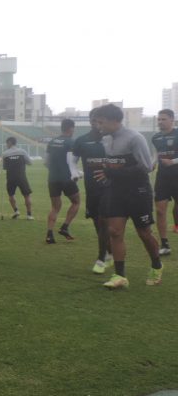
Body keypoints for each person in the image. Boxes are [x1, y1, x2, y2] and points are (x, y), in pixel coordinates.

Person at [92, 104, 163, 289]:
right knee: (114, 232)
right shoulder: (106, 139)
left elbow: (146, 167)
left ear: (114, 121)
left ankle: (157, 265)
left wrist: (112, 172)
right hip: (116, 191)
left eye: (101, 122)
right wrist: (108, 172)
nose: (98, 126)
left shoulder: (135, 138)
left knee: (144, 233)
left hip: (138, 191)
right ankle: (120, 275)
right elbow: (113, 166)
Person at [70, 109, 112, 274]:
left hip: (109, 187)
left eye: (100, 121)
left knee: (103, 221)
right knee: (97, 222)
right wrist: (74, 172)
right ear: (90, 121)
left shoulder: (111, 139)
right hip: (92, 188)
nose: (97, 124)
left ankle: (101, 258)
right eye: (94, 120)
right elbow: (72, 160)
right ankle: (109, 252)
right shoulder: (82, 140)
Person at [45, 118, 80, 244]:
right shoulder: (71, 142)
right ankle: (65, 227)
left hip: (52, 178)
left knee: (55, 207)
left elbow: (46, 162)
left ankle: (49, 235)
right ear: (71, 128)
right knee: (76, 202)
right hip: (67, 178)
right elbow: (72, 162)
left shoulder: (52, 142)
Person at [151, 109, 178, 256]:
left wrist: (173, 161)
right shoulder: (155, 137)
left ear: (172, 120)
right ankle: (165, 244)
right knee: (160, 211)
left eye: (163, 119)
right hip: (162, 178)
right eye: (159, 119)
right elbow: (157, 154)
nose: (160, 122)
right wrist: (152, 163)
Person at [1, 137, 33, 220]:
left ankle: (16, 211)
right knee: (27, 195)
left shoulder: (5, 154)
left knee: (11, 195)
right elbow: (30, 162)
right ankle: (29, 215)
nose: (6, 145)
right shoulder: (22, 151)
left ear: (10, 142)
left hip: (10, 177)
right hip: (21, 177)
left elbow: (4, 167)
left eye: (7, 143)